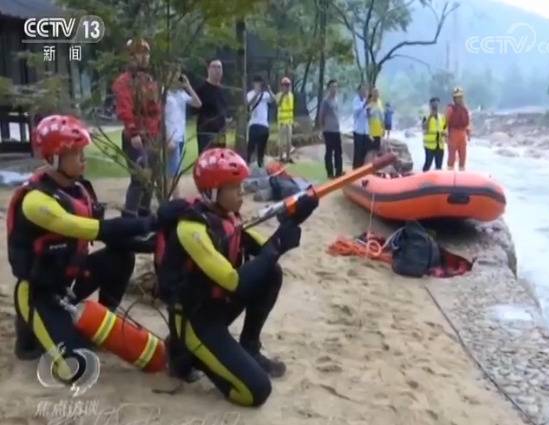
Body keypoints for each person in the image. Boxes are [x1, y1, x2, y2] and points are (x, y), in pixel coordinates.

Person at [157, 148, 318, 406]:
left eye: (241, 185)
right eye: (234, 187)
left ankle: (249, 347)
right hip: (195, 322)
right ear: (212, 191)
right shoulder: (192, 229)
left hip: (217, 310)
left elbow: (264, 250)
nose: (242, 192)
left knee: (270, 273)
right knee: (256, 392)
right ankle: (188, 353)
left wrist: (295, 219)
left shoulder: (228, 218)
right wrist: (278, 244)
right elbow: (234, 281)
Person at [7, 115, 161, 379]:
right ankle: (31, 333)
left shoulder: (79, 190)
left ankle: (101, 319)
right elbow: (95, 229)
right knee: (77, 369)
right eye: (75, 153)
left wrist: (155, 243)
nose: (83, 158)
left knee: (121, 256)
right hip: (39, 290)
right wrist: (151, 222)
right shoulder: (35, 201)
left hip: (69, 281)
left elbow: (112, 237)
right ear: (54, 157)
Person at [112, 38, 161, 218]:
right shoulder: (124, 81)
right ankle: (130, 217)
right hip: (137, 136)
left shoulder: (149, 80)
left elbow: (157, 110)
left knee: (151, 180)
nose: (145, 57)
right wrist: (133, 131)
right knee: (139, 178)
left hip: (153, 135)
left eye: (147, 53)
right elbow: (125, 108)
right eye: (141, 53)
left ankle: (144, 215)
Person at [165, 64, 202, 198]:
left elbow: (198, 103)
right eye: (172, 73)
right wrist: (167, 137)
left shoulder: (181, 94)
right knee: (173, 172)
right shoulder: (164, 93)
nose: (175, 77)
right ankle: (175, 199)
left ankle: (170, 198)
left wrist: (188, 86)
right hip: (170, 137)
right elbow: (160, 117)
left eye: (177, 74)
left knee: (174, 171)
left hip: (180, 136)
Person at [195, 59, 228, 155]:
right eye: (214, 67)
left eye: (219, 67)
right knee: (207, 159)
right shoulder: (201, 89)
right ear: (208, 70)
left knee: (220, 159)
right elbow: (195, 109)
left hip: (221, 132)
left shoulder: (223, 90)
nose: (217, 70)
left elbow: (224, 109)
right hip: (206, 133)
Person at [246, 75, 275, 168]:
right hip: (254, 124)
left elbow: (274, 100)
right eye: (256, 83)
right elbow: (249, 103)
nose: (258, 84)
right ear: (253, 84)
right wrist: (256, 93)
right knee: (251, 146)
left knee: (261, 148)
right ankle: (247, 164)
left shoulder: (266, 94)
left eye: (260, 83)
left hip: (264, 125)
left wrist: (269, 90)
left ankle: (260, 164)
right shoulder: (250, 94)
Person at [319, 79, 342, 179]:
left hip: (336, 131)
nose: (334, 89)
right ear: (329, 88)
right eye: (332, 87)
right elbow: (321, 116)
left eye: (336, 87)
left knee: (338, 152)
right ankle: (330, 173)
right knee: (329, 152)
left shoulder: (337, 100)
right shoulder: (325, 101)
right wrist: (322, 130)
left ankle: (339, 172)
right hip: (328, 131)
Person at [446, 87, 471, 171]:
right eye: (457, 97)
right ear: (454, 99)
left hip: (462, 135)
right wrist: (445, 134)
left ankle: (462, 171)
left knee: (463, 157)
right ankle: (450, 172)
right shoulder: (450, 109)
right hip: (453, 134)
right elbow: (445, 122)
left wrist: (468, 133)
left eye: (460, 97)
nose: (459, 99)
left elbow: (467, 123)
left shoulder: (465, 109)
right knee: (451, 157)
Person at [421, 97, 447, 172]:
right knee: (428, 164)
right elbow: (424, 127)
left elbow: (445, 128)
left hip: (440, 145)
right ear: (430, 105)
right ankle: (423, 179)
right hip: (429, 146)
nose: (435, 106)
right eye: (433, 104)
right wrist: (430, 117)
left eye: (436, 104)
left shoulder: (442, 117)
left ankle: (437, 182)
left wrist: (445, 133)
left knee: (439, 166)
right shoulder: (426, 116)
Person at [276, 77, 295, 163]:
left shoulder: (291, 95)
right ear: (282, 86)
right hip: (282, 122)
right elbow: (278, 104)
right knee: (281, 142)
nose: (287, 87)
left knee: (289, 141)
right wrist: (283, 95)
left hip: (289, 122)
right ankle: (280, 157)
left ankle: (288, 157)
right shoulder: (279, 95)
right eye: (285, 85)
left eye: (288, 85)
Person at [352, 84, 370, 169]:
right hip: (358, 130)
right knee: (358, 152)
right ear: (359, 91)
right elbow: (356, 113)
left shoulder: (367, 101)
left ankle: (361, 170)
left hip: (366, 131)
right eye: (362, 90)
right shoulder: (356, 100)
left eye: (365, 90)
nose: (364, 92)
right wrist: (364, 105)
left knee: (364, 151)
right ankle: (355, 169)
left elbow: (367, 115)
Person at [366, 88, 385, 162]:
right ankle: (368, 166)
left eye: (377, 93)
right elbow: (367, 117)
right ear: (372, 94)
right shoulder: (369, 104)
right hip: (371, 130)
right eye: (374, 93)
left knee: (377, 149)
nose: (376, 95)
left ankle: (374, 166)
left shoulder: (380, 103)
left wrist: (383, 128)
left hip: (378, 129)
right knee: (371, 150)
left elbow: (382, 117)